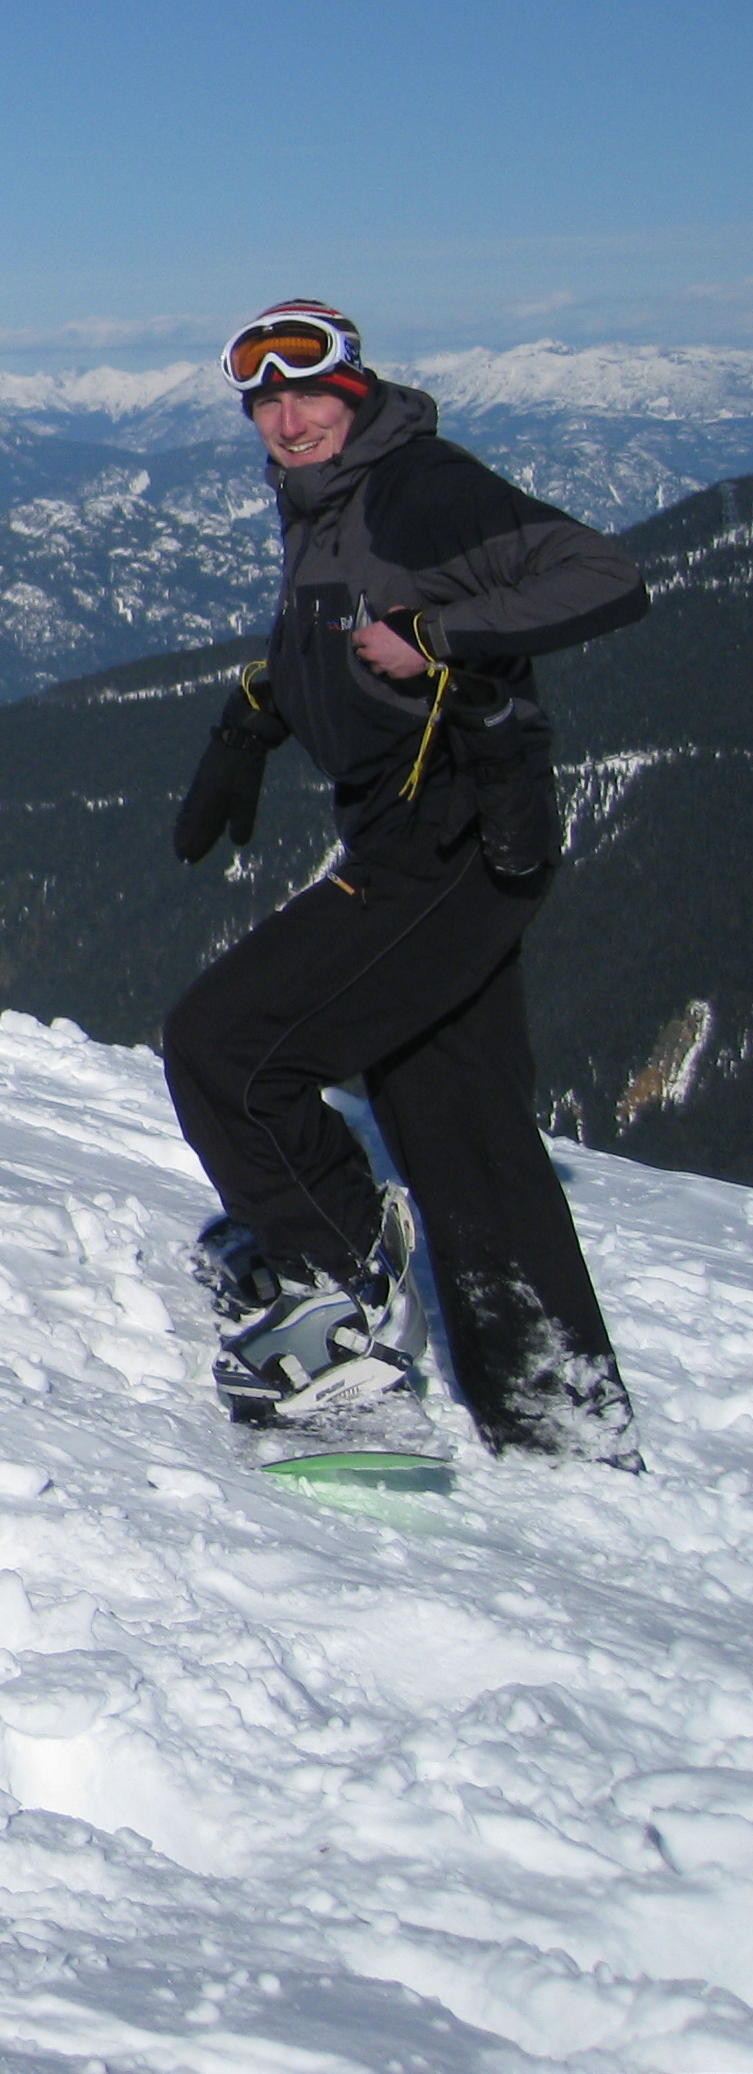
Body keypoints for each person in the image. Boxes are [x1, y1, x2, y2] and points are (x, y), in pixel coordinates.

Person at [161, 297, 646, 1457]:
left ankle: (340, 1309)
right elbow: (345, 631)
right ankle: (556, 1416)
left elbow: (605, 576)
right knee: (457, 1123)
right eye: (264, 403)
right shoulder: (325, 500)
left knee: (227, 1047)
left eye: (307, 395)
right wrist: (263, 708)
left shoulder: (415, 486)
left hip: (450, 835)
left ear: (355, 391)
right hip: (430, 826)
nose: (287, 420)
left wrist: (437, 637)